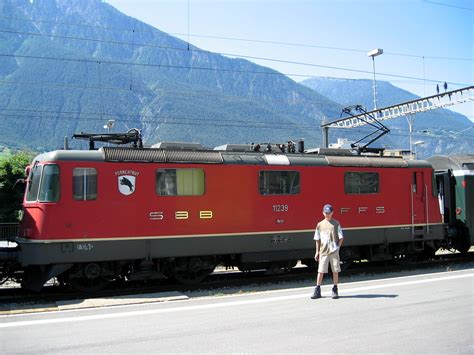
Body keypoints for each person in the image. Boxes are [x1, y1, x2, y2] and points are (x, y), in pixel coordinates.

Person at [311, 204, 344, 299]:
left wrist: (337, 247)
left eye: (329, 213)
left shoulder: (336, 223)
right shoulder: (319, 224)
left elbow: (341, 237)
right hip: (323, 252)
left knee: (335, 270)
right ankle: (317, 290)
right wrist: (317, 251)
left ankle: (335, 289)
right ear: (323, 213)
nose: (327, 214)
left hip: (333, 251)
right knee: (320, 271)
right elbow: (317, 239)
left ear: (332, 213)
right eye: (326, 213)